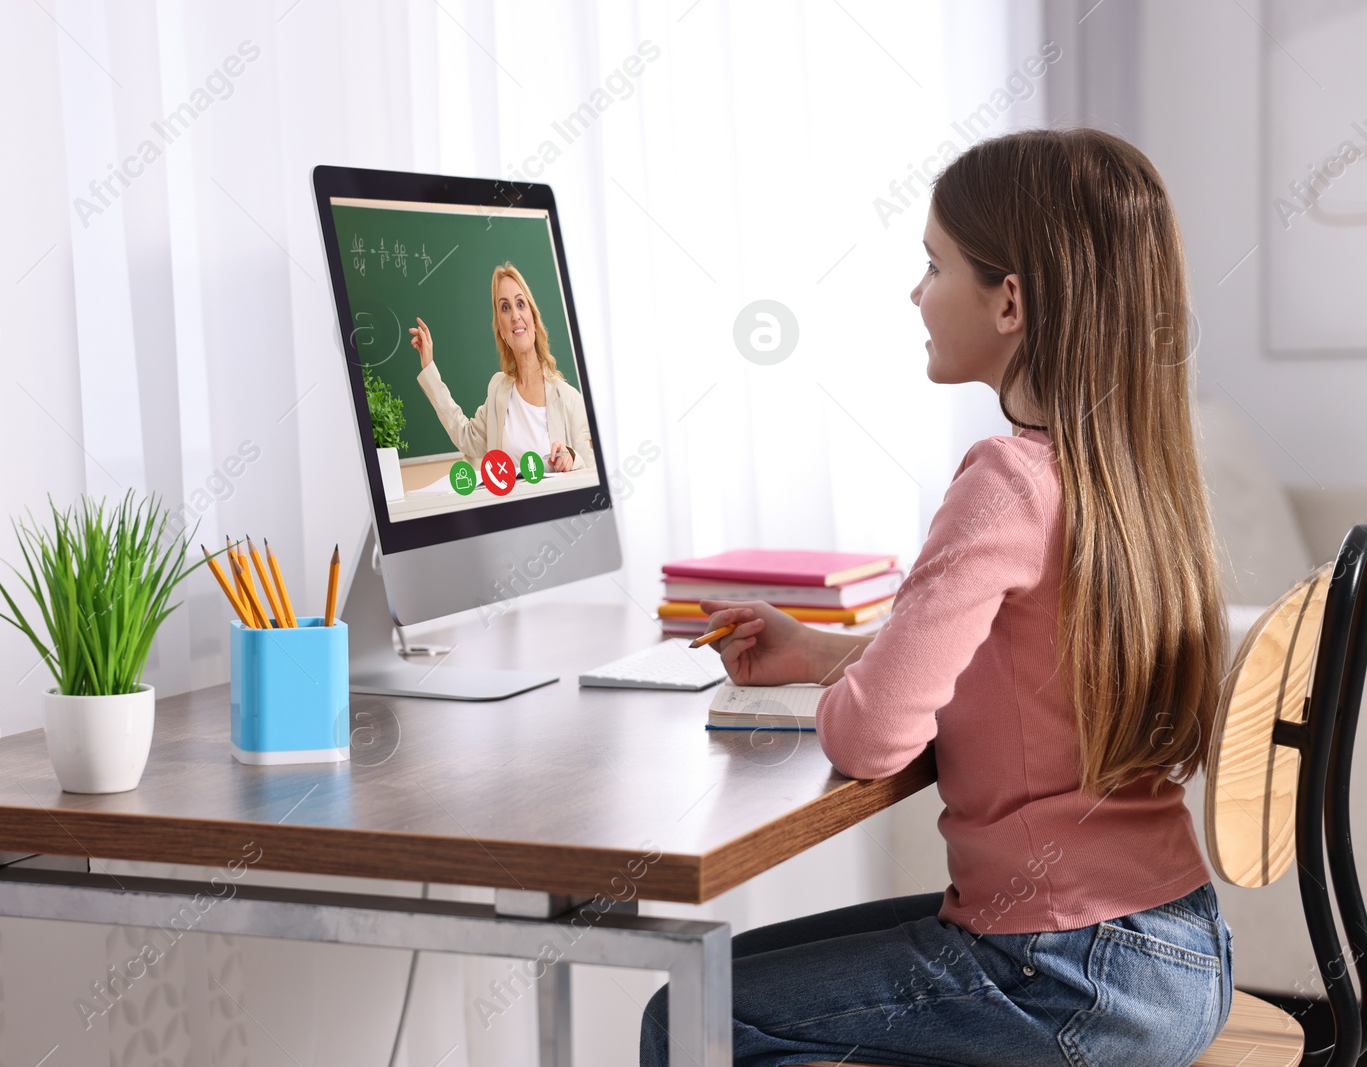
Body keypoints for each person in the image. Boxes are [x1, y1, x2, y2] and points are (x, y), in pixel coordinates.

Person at [641, 127, 1234, 1066]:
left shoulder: (1006, 480)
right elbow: (1021, 661)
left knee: (691, 1016)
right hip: (1173, 950)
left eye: (933, 265)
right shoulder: (1136, 476)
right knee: (715, 983)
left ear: (1012, 299)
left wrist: (852, 689)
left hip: (1063, 972)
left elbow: (870, 737)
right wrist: (830, 653)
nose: (916, 293)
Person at [410, 262, 594, 475]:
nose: (515, 315)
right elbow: (466, 436)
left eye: (520, 304)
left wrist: (571, 458)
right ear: (502, 331)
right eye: (505, 308)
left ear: (533, 320)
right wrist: (429, 366)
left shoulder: (569, 399)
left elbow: (591, 473)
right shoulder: (498, 389)